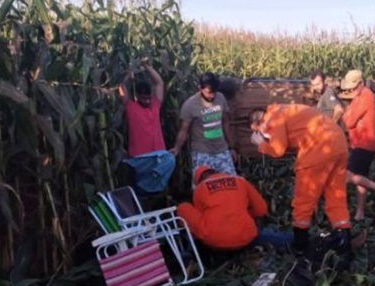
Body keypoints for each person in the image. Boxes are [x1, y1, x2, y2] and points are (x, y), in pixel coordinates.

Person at [249, 103, 353, 260]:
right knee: (336, 195)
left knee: (304, 200)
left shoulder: (272, 118)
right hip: (339, 144)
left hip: (318, 149)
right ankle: (344, 240)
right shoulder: (286, 109)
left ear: (257, 123)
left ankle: (300, 245)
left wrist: (261, 145)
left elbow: (278, 149)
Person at [177, 164, 292, 251]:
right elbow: (261, 210)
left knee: (183, 207)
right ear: (216, 172)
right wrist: (242, 214)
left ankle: (189, 249)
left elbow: (202, 216)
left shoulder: (200, 188)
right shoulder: (240, 181)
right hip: (246, 235)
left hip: (213, 239)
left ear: (198, 180)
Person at [117, 60, 175, 194]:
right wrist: (130, 69)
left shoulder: (155, 105)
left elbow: (159, 83)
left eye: (149, 98)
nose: (147, 101)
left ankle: (148, 186)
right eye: (144, 98)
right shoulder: (130, 107)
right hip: (139, 158)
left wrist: (147, 67)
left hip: (158, 156)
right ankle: (149, 184)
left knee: (170, 159)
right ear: (137, 96)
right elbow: (120, 85)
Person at [170, 72, 237, 186]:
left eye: (214, 92)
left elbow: (225, 122)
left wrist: (232, 147)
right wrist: (177, 147)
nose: (212, 96)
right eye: (209, 92)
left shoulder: (221, 98)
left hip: (221, 150)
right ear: (200, 88)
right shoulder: (190, 105)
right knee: (203, 187)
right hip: (202, 152)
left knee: (231, 184)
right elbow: (183, 130)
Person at [340, 69, 375, 221]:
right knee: (360, 179)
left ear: (361, 83)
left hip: (364, 143)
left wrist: (351, 117)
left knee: (347, 176)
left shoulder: (365, 96)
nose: (350, 91)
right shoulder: (358, 96)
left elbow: (348, 121)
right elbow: (347, 117)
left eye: (353, 88)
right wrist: (350, 116)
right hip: (360, 142)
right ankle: (360, 213)